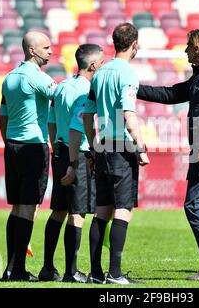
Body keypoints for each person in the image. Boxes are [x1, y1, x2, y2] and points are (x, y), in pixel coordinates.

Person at [137, 28, 199, 281]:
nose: (185, 51)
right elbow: (171, 94)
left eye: (189, 47)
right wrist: (135, 89)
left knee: (194, 204)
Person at [83, 22, 149, 285]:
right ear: (134, 44)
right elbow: (128, 114)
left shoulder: (99, 74)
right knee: (123, 210)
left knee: (101, 211)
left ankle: (96, 273)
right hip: (122, 146)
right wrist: (141, 147)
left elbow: (88, 116)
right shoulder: (128, 73)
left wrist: (92, 147)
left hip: (102, 146)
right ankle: (115, 275)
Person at [38, 44, 104, 282]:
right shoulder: (88, 90)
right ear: (94, 65)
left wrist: (59, 149)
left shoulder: (62, 86)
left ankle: (47, 267)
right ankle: (71, 271)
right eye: (102, 62)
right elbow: (81, 124)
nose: (103, 66)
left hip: (60, 150)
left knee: (58, 211)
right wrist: (76, 161)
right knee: (77, 213)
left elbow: (50, 121)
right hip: (79, 155)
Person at [0, 31, 56, 281]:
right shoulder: (36, 77)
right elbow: (61, 96)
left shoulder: (9, 78)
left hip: (12, 146)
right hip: (33, 146)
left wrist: (10, 141)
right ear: (32, 50)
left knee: (17, 208)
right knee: (28, 208)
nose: (50, 51)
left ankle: (11, 268)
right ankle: (18, 269)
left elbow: (2, 117)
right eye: (46, 47)